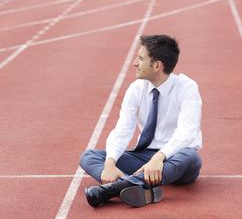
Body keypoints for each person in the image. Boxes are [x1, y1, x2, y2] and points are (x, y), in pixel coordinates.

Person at [80, 35, 202, 208]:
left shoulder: (187, 87)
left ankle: (114, 188)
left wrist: (159, 157)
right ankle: (140, 188)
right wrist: (110, 163)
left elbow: (187, 132)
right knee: (90, 156)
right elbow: (123, 130)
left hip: (174, 157)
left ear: (157, 65)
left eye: (141, 58)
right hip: (144, 157)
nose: (134, 63)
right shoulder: (136, 89)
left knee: (191, 157)